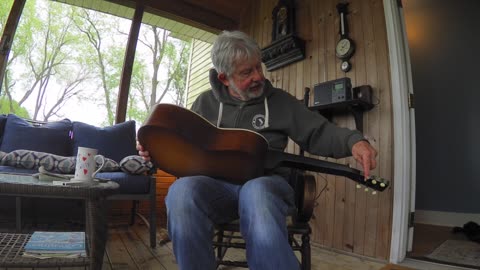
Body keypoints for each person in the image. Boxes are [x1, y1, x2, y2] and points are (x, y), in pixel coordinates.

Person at [137, 30, 377, 270]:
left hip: (267, 184)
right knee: (181, 192)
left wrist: (353, 141)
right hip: (217, 190)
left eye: (258, 68)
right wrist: (155, 153)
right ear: (224, 78)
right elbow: (185, 151)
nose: (258, 76)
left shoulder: (280, 101)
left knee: (256, 191)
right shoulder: (204, 103)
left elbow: (319, 132)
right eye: (246, 72)